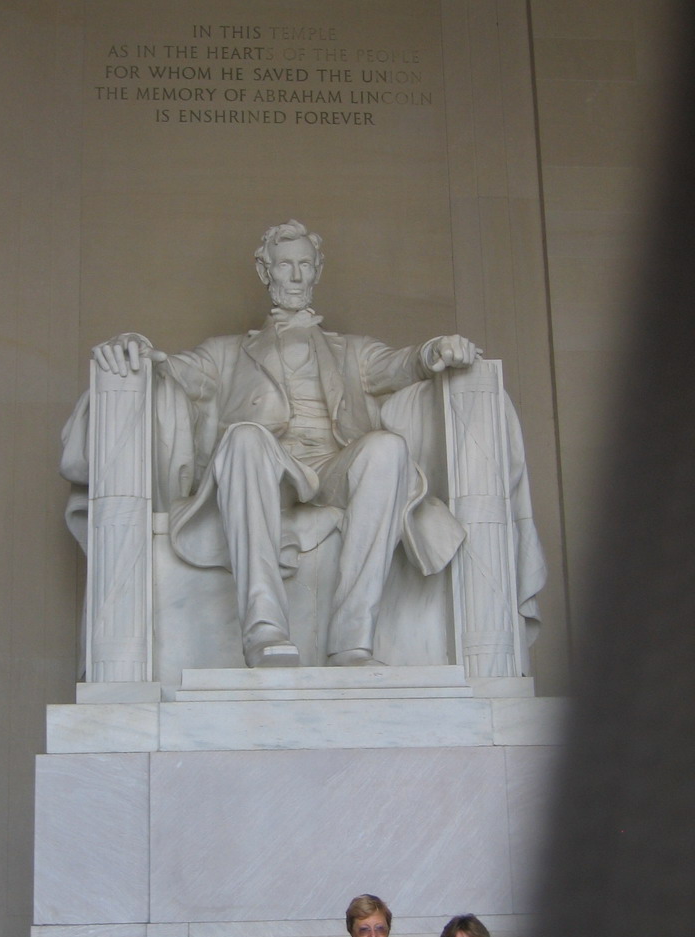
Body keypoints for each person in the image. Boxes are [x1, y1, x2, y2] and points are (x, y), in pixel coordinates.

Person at [90, 219, 479, 669]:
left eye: (305, 265)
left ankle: (352, 642)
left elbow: (403, 364)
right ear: (265, 271)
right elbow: (169, 369)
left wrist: (436, 350)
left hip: (333, 467)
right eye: (284, 265)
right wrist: (134, 346)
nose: (295, 276)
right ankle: (264, 630)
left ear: (318, 270)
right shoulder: (225, 353)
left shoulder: (353, 351)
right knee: (244, 437)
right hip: (264, 469)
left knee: (387, 448)